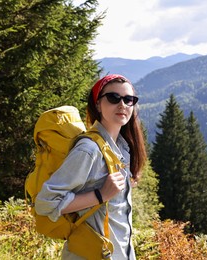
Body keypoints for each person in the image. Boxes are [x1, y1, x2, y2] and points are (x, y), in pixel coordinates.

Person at [35, 74, 147, 259]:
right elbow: (46, 202)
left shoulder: (121, 147)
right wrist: (100, 195)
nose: (122, 105)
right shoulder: (89, 150)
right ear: (97, 104)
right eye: (113, 98)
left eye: (129, 100)